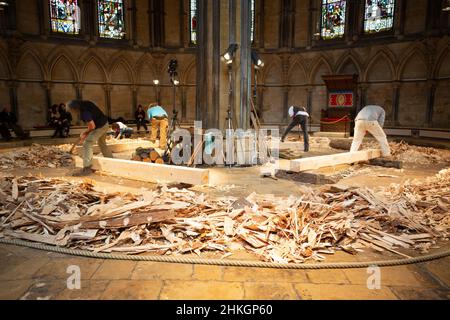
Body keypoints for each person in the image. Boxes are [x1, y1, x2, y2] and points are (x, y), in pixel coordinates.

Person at [67, 100, 113, 176]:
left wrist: (85, 133)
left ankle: (87, 167)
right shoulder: (87, 103)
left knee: (87, 143)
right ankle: (111, 160)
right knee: (102, 143)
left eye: (72, 110)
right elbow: (92, 124)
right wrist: (86, 132)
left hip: (100, 126)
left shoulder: (84, 113)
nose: (73, 112)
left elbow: (92, 126)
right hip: (105, 123)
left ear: (75, 108)